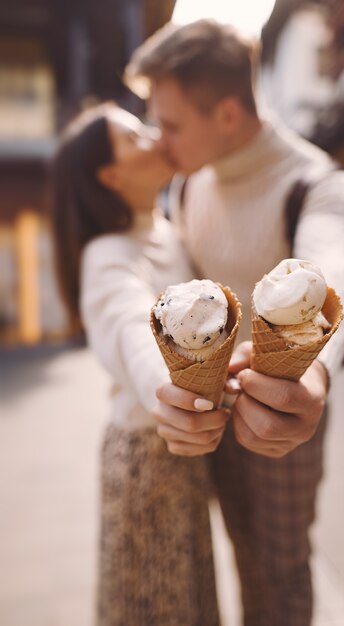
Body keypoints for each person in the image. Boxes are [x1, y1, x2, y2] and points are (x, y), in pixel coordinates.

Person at [124, 19, 344, 626]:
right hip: (208, 418)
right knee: (236, 557)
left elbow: (330, 277)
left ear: (227, 115)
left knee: (280, 577)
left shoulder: (320, 185)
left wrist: (311, 382)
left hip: (284, 417)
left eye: (172, 124)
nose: (159, 140)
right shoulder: (184, 186)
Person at [50, 103, 222, 626]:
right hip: (149, 457)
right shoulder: (108, 252)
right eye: (134, 135)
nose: (154, 135)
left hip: (178, 449)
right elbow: (130, 330)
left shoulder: (166, 229)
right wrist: (169, 394)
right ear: (111, 175)